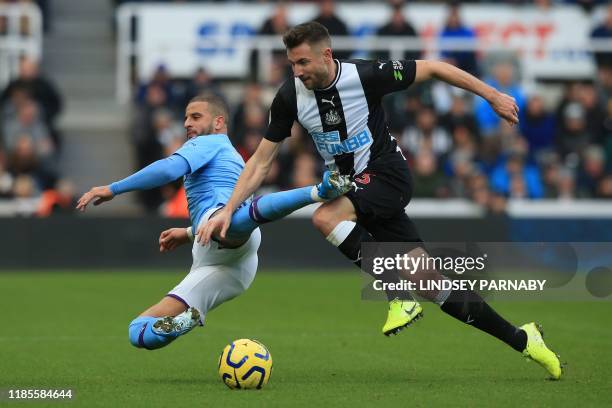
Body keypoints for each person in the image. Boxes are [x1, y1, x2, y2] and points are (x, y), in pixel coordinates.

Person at [203, 22, 562, 379]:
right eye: (292, 64)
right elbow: (261, 162)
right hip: (357, 190)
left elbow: (435, 67)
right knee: (432, 283)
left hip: (387, 175)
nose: (296, 72)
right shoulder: (290, 96)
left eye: (302, 63)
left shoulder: (365, 74)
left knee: (325, 218)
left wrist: (493, 95)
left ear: (326, 55)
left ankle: (397, 294)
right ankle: (523, 339)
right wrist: (229, 210)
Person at [76, 94, 350, 351]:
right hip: (233, 266)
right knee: (139, 332)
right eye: (186, 118)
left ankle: (318, 191)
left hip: (225, 230)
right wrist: (188, 232)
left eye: (195, 117)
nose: (187, 124)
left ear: (218, 122)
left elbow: (169, 169)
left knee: (229, 220)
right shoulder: (232, 156)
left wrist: (113, 188)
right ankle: (185, 321)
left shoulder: (208, 143)